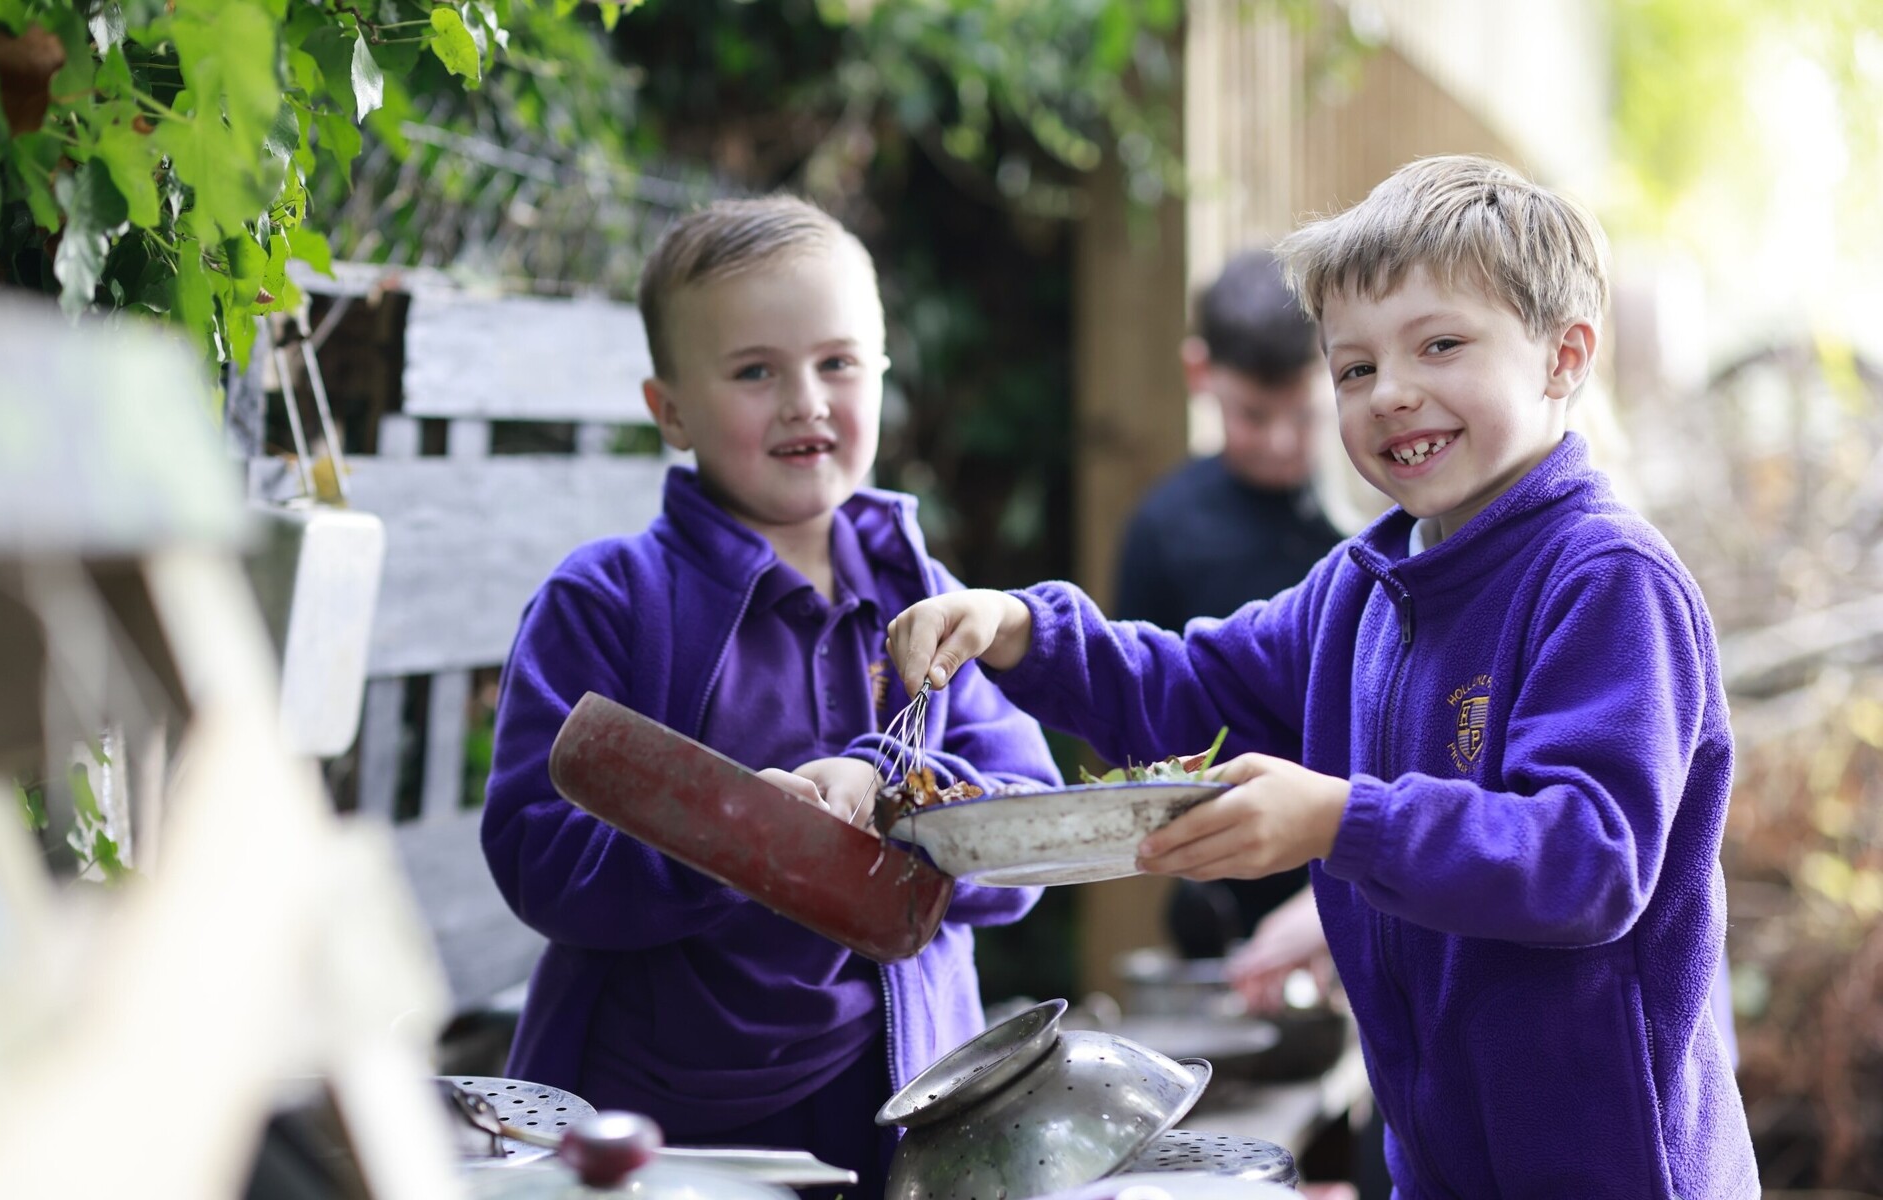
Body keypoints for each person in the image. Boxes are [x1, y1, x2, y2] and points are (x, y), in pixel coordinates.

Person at [885, 156, 1757, 1196]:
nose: (1390, 394)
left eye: (1439, 345)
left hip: (1612, 1170)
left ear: (1561, 356)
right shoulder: (1357, 590)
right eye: (1352, 369)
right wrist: (1023, 630)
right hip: (1436, 1164)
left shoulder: (1605, 581)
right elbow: (1187, 681)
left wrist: (1343, 821)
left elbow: (1587, 856)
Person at [480, 196, 1059, 1199]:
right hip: (666, 1124)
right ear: (669, 410)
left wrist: (891, 788)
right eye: (755, 371)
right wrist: (739, 835)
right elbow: (535, 850)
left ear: (882, 371)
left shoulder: (925, 598)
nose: (805, 401)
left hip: (901, 1107)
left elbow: (1032, 838)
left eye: (837, 363)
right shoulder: (606, 600)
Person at [1115, 249, 1344, 963]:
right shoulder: (1164, 528)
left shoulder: (1365, 512)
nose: (1280, 442)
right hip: (1225, 891)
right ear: (1199, 374)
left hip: (1371, 862)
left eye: (1304, 416)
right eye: (1253, 414)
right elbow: (1134, 718)